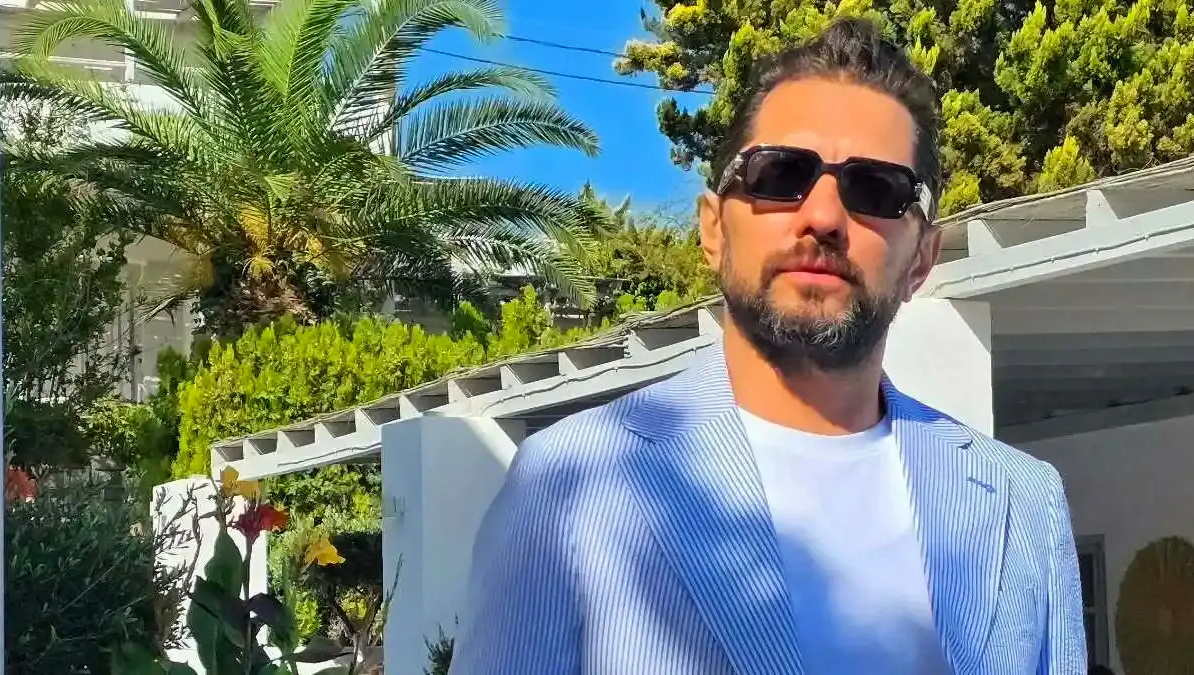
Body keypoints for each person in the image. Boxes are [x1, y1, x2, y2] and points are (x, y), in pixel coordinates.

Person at [449, 17, 1086, 675]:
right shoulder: (568, 483)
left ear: (922, 257)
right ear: (714, 229)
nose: (823, 217)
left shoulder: (1022, 503)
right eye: (780, 175)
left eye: (877, 189)